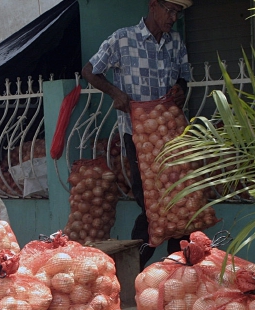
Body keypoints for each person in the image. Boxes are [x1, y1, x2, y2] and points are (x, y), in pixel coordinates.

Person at [81, 0, 193, 270]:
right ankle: (139, 267)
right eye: (169, 10)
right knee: (150, 203)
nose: (173, 17)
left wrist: (180, 89)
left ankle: (175, 266)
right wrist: (115, 94)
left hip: (169, 136)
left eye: (178, 12)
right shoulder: (123, 39)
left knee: (178, 198)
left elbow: (184, 79)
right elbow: (89, 71)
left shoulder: (175, 43)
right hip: (137, 136)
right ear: (153, 6)